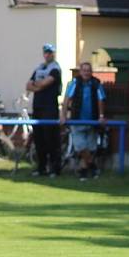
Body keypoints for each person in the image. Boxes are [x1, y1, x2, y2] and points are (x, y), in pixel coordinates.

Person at [60, 62, 106, 180]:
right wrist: (63, 115)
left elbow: (101, 99)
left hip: (92, 122)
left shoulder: (96, 83)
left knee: (91, 148)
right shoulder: (75, 83)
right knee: (80, 147)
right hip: (77, 121)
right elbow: (67, 99)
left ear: (91, 72)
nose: (86, 72)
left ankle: (84, 171)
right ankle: (93, 167)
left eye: (88, 70)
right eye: (84, 70)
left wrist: (101, 115)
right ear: (80, 72)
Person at [26, 43, 62, 177]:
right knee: (39, 139)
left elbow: (44, 83)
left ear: (54, 54)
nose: (48, 54)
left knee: (51, 139)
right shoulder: (39, 68)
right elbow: (28, 85)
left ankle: (55, 168)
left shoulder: (55, 69)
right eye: (46, 52)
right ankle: (41, 167)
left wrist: (38, 85)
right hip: (38, 108)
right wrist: (38, 86)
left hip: (50, 108)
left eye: (50, 52)